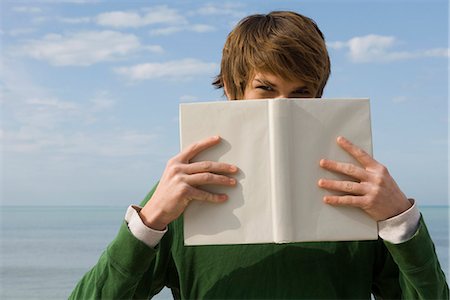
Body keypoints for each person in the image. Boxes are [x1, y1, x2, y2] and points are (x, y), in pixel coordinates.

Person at [70, 11, 448, 299]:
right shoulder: (184, 194)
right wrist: (149, 222)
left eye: (301, 93)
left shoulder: (359, 193)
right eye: (265, 89)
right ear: (235, 91)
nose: (282, 107)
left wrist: (402, 220)